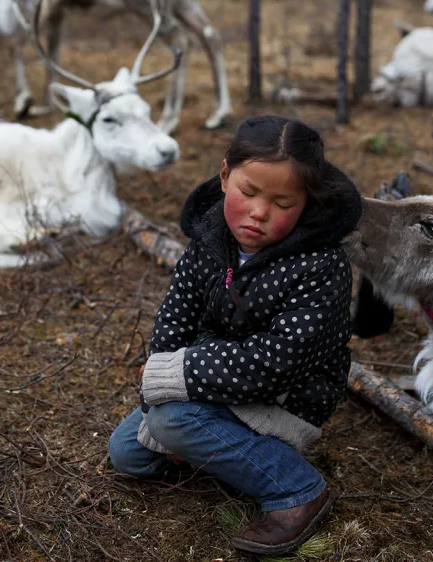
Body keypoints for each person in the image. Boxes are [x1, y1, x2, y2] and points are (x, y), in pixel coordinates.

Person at [108, 114, 363, 556]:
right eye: (248, 192)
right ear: (226, 176)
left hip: (286, 398)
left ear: (306, 202)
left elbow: (276, 363)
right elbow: (176, 315)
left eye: (283, 204)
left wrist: (176, 379)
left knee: (172, 423)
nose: (259, 212)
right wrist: (157, 397)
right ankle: (212, 444)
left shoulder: (321, 266)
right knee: (128, 453)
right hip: (212, 381)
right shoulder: (211, 236)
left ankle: (298, 491)